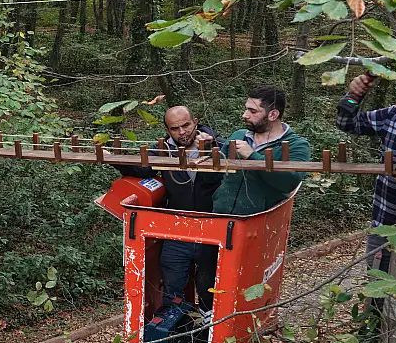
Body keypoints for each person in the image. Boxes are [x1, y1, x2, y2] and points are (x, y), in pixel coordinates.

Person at [116, 106, 223, 312]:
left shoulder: (218, 144)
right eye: (175, 129)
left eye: (186, 125)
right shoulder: (162, 149)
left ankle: (209, 333)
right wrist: (114, 158)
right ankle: (178, 331)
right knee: (172, 287)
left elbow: (219, 176)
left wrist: (208, 150)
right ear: (168, 130)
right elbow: (143, 169)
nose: (182, 132)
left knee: (209, 288)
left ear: (196, 121)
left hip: (212, 228)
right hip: (177, 230)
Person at [338, 72, 396, 272]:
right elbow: (347, 124)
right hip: (384, 225)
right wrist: (354, 96)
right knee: (377, 289)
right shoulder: (393, 115)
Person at [213, 86, 311, 215]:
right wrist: (206, 150)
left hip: (261, 222)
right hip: (220, 215)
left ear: (273, 114)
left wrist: (253, 157)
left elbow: (289, 182)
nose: (245, 115)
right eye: (246, 109)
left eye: (253, 111)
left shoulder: (297, 145)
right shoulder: (238, 135)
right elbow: (213, 176)